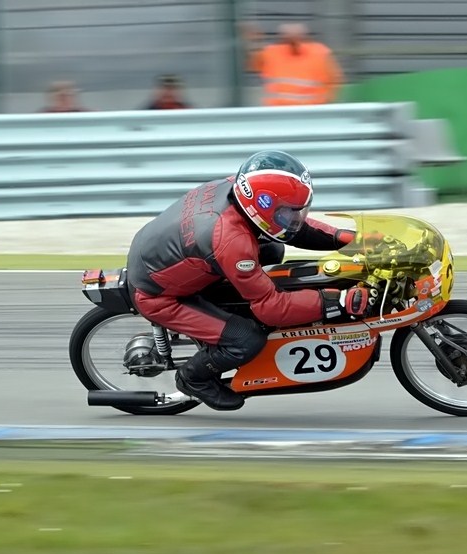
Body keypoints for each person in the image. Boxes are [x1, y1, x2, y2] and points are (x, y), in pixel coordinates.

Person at [126, 150, 375, 411]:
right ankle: (193, 378)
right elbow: (271, 308)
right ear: (264, 205)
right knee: (247, 339)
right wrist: (340, 301)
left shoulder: (240, 190)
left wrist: (347, 238)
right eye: (289, 213)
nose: (295, 218)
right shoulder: (233, 242)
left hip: (164, 256)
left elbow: (294, 228)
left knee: (273, 247)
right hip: (158, 295)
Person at [242, 22, 343, 106]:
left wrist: (327, 102)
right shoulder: (272, 52)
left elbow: (335, 80)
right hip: (279, 111)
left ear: (304, 37)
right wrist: (254, 41)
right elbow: (253, 64)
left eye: (295, 36)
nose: (293, 40)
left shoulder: (319, 53)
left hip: (311, 111)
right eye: (288, 36)